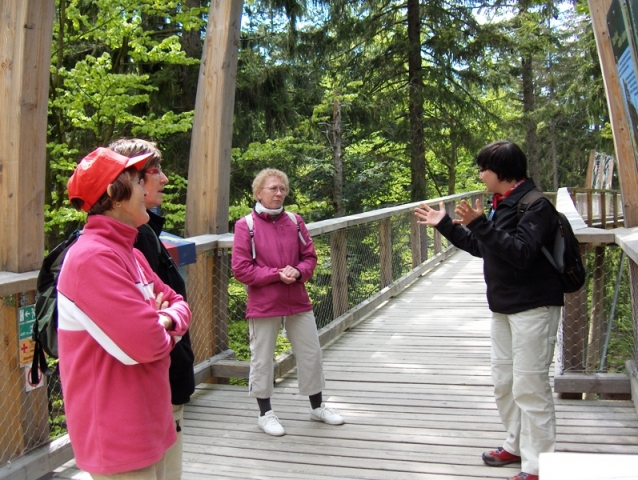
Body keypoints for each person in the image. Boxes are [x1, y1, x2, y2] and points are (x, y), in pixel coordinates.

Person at [414, 140, 563, 480]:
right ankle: (515, 444)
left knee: (530, 386)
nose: (480, 174)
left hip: (534, 307)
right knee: (505, 382)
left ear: (501, 172)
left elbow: (522, 252)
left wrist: (481, 223)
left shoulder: (535, 205)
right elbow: (485, 248)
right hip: (504, 307)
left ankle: (539, 466)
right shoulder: (503, 203)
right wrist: (446, 224)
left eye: (483, 168)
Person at [58, 147, 192, 479]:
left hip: (152, 423)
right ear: (114, 195)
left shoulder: (130, 253)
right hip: (119, 439)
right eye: (136, 179)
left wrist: (164, 319)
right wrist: (162, 320)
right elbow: (148, 343)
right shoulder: (92, 259)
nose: (147, 186)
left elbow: (179, 302)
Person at [231, 168, 345, 436]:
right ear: (258, 192)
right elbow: (241, 269)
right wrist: (276, 274)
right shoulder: (244, 226)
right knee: (262, 358)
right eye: (273, 188)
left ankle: (317, 407)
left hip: (297, 299)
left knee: (311, 353)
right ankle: (265, 413)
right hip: (264, 303)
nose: (279, 193)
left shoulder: (295, 221)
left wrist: (299, 271)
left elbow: (310, 257)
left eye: (282, 189)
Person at [108, 138, 195, 480]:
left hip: (166, 380)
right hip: (157, 385)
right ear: (129, 182)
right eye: (155, 172)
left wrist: (169, 314)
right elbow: (150, 324)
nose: (165, 180)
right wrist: (167, 318)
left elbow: (172, 305)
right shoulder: (132, 240)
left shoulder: (144, 234)